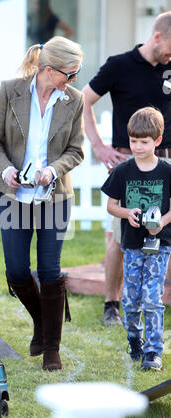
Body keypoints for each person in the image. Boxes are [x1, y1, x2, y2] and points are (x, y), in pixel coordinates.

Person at [0, 36, 84, 371]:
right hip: (14, 195)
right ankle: (42, 322)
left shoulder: (75, 100)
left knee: (50, 270)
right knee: (16, 269)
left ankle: (51, 347)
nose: (74, 80)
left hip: (54, 196)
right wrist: (6, 169)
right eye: (71, 74)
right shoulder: (10, 91)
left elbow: (76, 150)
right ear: (50, 70)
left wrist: (53, 170)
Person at [82, 11, 171, 326]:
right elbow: (85, 100)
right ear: (158, 36)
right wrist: (98, 146)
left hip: (167, 161)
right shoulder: (118, 65)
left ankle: (160, 299)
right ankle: (112, 304)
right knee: (121, 237)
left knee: (166, 229)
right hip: (128, 163)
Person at [101, 107, 171, 370]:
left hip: (159, 245)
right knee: (130, 299)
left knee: (152, 297)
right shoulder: (123, 171)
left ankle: (153, 352)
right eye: (133, 141)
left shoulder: (166, 171)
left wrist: (161, 222)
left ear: (157, 141)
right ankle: (135, 339)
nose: (138, 147)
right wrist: (127, 213)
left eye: (144, 142)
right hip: (131, 245)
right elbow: (111, 206)